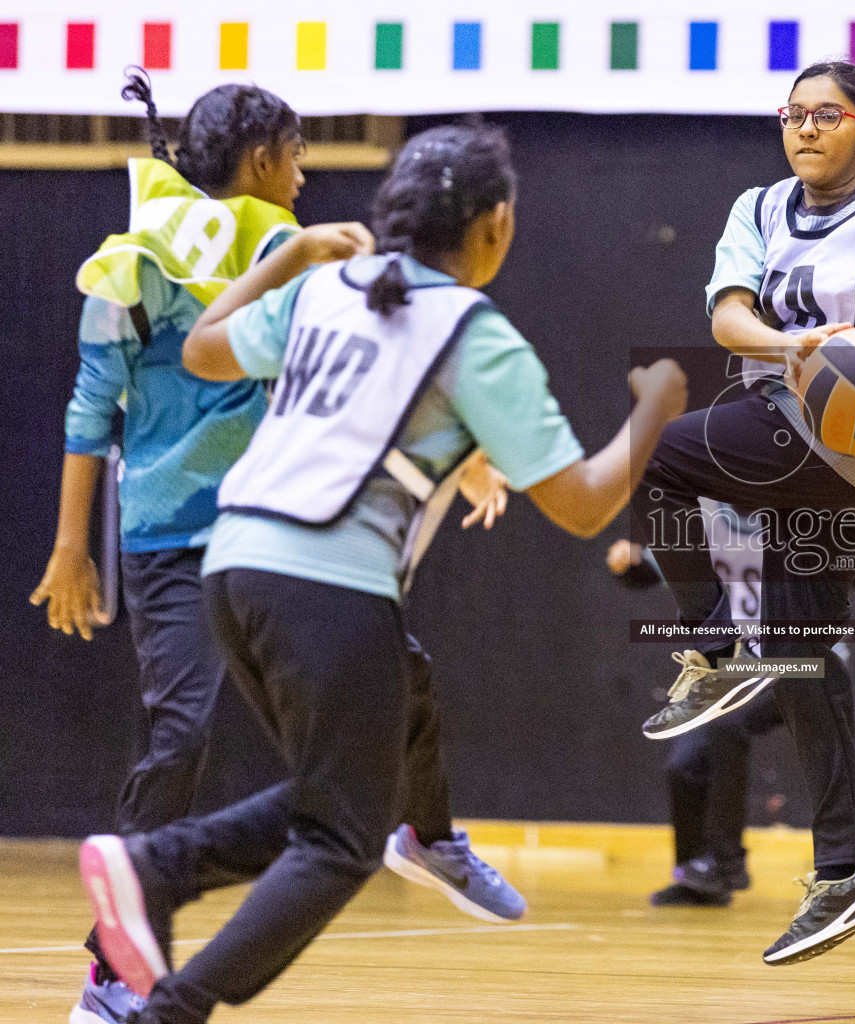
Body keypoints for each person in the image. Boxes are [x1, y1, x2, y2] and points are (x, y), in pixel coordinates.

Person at [75, 122, 687, 1023]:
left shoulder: (327, 288)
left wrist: (290, 260)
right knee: (340, 838)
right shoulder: (476, 334)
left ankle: (157, 866)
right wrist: (659, 408)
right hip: (327, 584)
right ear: (496, 225)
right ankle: (170, 991)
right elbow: (586, 503)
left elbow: (203, 347)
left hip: (233, 567)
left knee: (346, 786)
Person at [36, 75, 524, 1024]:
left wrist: (471, 461)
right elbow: (92, 407)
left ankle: (427, 836)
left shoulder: (283, 262)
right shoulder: (157, 262)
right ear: (263, 159)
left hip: (276, 530)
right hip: (178, 538)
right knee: (184, 738)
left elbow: (375, 357)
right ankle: (114, 971)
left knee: (403, 688)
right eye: (298, 156)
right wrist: (69, 547)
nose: (304, 177)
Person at [631, 59, 855, 965]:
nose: (807, 128)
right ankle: (845, 870)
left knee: (661, 455)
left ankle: (715, 649)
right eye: (794, 114)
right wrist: (796, 344)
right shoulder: (759, 207)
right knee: (806, 661)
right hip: (781, 419)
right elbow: (730, 318)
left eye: (828, 114)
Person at [608, 504, 788, 908]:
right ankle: (695, 877)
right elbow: (651, 569)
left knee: (729, 726)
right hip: (739, 672)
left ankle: (726, 864)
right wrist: (630, 563)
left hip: (802, 664)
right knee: (684, 765)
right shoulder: (711, 525)